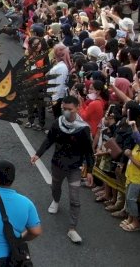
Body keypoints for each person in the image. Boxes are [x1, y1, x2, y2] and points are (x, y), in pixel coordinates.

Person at [31, 95, 94, 244]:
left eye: (69, 109)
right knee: (56, 187)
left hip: (74, 168)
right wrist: (38, 154)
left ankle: (72, 229)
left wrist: (90, 170)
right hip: (58, 164)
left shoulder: (83, 129)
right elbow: (49, 140)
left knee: (75, 199)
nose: (66, 112)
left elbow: (88, 151)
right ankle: (56, 200)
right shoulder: (58, 123)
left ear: (77, 108)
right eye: (63, 109)